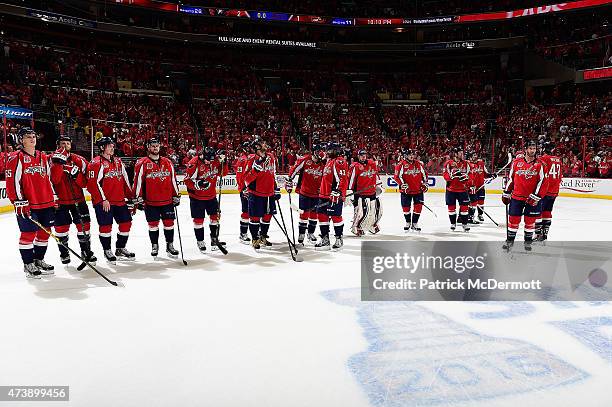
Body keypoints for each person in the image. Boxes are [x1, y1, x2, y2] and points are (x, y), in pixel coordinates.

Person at [5, 127, 56, 278]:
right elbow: (12, 184)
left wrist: (53, 197)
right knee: (28, 234)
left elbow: (48, 179)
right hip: (28, 205)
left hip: (46, 203)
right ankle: (28, 263)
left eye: (33, 136)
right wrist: (19, 202)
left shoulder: (43, 156)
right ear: (21, 140)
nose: (32, 139)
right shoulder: (16, 158)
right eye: (28, 137)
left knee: (44, 234)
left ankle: (39, 260)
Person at [87, 137, 135, 263]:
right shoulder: (96, 163)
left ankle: (120, 248)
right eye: (109, 145)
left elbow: (125, 181)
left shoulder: (118, 161)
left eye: (113, 145)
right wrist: (103, 199)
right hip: (104, 202)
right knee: (106, 226)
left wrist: (130, 198)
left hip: (119, 200)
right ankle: (107, 250)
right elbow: (92, 184)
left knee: (126, 224)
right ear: (102, 147)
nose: (112, 147)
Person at [50, 135, 96, 265]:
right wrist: (59, 164)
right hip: (60, 202)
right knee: (61, 230)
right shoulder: (50, 160)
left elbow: (85, 184)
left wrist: (76, 174)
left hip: (78, 200)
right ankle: (64, 253)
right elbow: (54, 180)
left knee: (84, 228)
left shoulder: (79, 160)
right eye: (62, 143)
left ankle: (86, 251)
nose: (65, 146)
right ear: (57, 145)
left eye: (67, 144)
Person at [133, 138, 181, 258]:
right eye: (152, 146)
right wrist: (137, 198)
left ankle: (170, 245)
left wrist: (176, 195)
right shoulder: (142, 163)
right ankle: (155, 245)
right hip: (151, 202)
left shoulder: (167, 162)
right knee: (153, 225)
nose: (155, 148)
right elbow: (137, 182)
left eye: (157, 145)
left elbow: (173, 180)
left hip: (167, 201)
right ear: (148, 147)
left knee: (169, 224)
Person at [502, 140, 546, 251]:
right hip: (517, 197)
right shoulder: (516, 162)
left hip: (531, 199)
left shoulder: (540, 164)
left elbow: (543, 182)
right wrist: (507, 192)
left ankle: (527, 243)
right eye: (531, 148)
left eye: (534, 148)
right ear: (526, 149)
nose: (533, 150)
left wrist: (536, 196)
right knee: (513, 220)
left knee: (530, 221)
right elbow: (511, 178)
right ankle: (510, 241)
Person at [184, 146, 228, 253]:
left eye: (211, 160)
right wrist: (198, 184)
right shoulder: (194, 163)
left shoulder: (215, 160)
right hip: (197, 197)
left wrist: (224, 162)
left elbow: (223, 173)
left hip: (211, 196)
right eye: (208, 160)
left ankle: (214, 240)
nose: (209, 162)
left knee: (215, 217)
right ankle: (200, 241)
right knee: (199, 220)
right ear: (202, 155)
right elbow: (187, 180)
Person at [243, 139, 279, 251]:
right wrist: (255, 170)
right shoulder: (251, 159)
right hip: (256, 193)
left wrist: (275, 187)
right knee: (255, 217)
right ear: (257, 147)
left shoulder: (271, 157)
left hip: (269, 193)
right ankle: (255, 238)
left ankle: (263, 235)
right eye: (262, 144)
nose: (265, 145)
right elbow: (246, 179)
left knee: (267, 217)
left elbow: (272, 173)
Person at [286, 143, 324, 246]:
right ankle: (301, 233)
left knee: (314, 215)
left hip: (317, 194)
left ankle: (310, 233)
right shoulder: (305, 159)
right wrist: (289, 180)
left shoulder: (323, 163)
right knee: (304, 214)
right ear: (315, 152)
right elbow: (294, 169)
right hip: (305, 192)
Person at [316, 142, 348, 250]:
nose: (327, 152)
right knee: (322, 216)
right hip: (324, 195)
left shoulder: (339, 161)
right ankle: (325, 239)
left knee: (336, 217)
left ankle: (339, 238)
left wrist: (337, 191)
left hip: (333, 195)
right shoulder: (329, 161)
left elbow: (342, 178)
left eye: (329, 150)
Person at [347, 149, 381, 236]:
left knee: (374, 211)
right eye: (361, 155)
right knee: (360, 212)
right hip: (360, 193)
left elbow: (376, 174)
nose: (363, 156)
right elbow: (351, 179)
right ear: (358, 156)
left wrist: (378, 184)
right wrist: (350, 191)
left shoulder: (372, 163)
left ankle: (371, 225)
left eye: (364, 155)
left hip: (371, 192)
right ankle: (356, 226)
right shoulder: (355, 166)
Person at [393, 148, 428, 232]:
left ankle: (415, 223)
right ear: (405, 155)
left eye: (413, 154)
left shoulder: (419, 164)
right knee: (406, 208)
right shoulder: (401, 164)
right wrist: (402, 184)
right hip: (406, 191)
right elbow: (397, 177)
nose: (412, 156)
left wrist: (425, 183)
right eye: (410, 154)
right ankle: (408, 222)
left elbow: (424, 175)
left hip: (418, 190)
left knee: (418, 207)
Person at [535, 141, 562, 242]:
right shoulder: (558, 160)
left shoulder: (543, 159)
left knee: (537, 211)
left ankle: (537, 234)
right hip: (554, 191)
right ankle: (545, 234)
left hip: (545, 190)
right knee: (547, 212)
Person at [442, 147, 471, 232]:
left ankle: (464, 224)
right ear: (455, 154)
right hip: (451, 190)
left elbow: (470, 175)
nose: (462, 155)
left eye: (462, 153)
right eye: (460, 153)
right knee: (451, 209)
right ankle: (453, 223)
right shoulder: (448, 163)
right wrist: (452, 176)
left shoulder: (466, 163)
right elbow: (445, 175)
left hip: (463, 190)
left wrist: (466, 179)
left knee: (465, 208)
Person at [233, 141, 253, 244]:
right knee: (246, 212)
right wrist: (244, 188)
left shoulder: (252, 158)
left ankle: (254, 232)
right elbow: (239, 176)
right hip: (246, 190)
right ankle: (243, 234)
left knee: (254, 212)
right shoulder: (242, 159)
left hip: (253, 189)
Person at [467, 150, 493, 224]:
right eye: (473, 155)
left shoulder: (481, 163)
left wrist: (491, 175)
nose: (475, 156)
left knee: (481, 201)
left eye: (476, 155)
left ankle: (480, 215)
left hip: (481, 186)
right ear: (470, 157)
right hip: (472, 187)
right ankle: (470, 216)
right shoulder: (468, 164)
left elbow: (486, 174)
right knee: (472, 202)